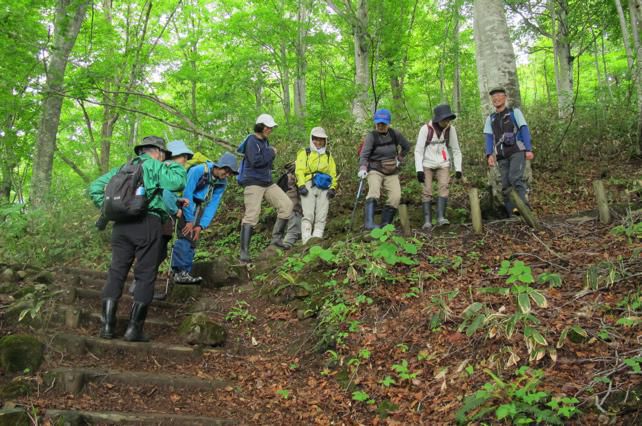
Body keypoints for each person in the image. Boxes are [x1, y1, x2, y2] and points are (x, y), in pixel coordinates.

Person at [88, 136, 186, 342]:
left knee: (116, 272)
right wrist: (175, 164)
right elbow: (178, 182)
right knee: (145, 274)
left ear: (141, 150)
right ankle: (134, 330)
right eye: (163, 155)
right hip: (147, 223)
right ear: (158, 152)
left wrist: (112, 209)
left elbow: (95, 188)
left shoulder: (122, 169)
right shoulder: (153, 165)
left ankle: (107, 326)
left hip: (121, 226)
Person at [171, 152, 239, 283]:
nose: (228, 175)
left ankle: (186, 273)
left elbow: (213, 205)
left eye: (231, 173)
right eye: (227, 171)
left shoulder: (222, 182)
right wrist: (190, 220)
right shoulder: (199, 170)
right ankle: (179, 272)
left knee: (193, 239)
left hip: (198, 207)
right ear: (220, 166)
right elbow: (187, 193)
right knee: (185, 235)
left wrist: (201, 225)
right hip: (184, 204)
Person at [238, 113, 293, 263]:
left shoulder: (265, 141)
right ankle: (244, 253)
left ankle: (276, 239)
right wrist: (271, 152)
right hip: (253, 182)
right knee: (252, 215)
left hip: (267, 182)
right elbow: (256, 161)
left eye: (271, 127)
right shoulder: (251, 140)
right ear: (260, 126)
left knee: (287, 205)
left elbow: (264, 162)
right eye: (268, 126)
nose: (270, 129)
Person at [483, 87, 534, 216]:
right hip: (501, 154)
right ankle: (512, 214)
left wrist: (528, 149)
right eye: (493, 97)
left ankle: (525, 210)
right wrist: (489, 154)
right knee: (505, 184)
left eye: (499, 95)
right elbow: (489, 137)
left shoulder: (514, 112)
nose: (496, 98)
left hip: (517, 150)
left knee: (515, 178)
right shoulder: (491, 118)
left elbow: (524, 129)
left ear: (505, 97)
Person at [358, 108, 410, 229]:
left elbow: (406, 146)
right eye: (378, 123)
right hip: (375, 169)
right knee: (374, 191)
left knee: (396, 196)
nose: (380, 126)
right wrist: (363, 167)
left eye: (383, 123)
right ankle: (369, 223)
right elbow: (364, 154)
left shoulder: (394, 134)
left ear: (388, 123)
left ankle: (385, 225)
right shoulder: (371, 136)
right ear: (375, 123)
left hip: (391, 170)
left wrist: (400, 158)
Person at [414, 104, 463, 229]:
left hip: (443, 162)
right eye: (444, 119)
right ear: (438, 119)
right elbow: (418, 150)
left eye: (448, 119)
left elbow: (456, 149)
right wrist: (419, 170)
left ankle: (441, 217)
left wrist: (458, 169)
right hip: (427, 163)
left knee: (444, 187)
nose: (447, 122)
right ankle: (427, 221)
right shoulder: (425, 129)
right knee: (427, 190)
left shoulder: (451, 130)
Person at [295, 127, 337, 244]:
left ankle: (317, 239)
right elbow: (299, 170)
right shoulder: (305, 152)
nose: (318, 142)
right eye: (316, 139)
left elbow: (333, 173)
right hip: (309, 183)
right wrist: (301, 185)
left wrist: (333, 188)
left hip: (325, 186)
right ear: (311, 139)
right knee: (308, 213)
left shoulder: (328, 155)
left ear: (325, 141)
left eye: (321, 139)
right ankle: (306, 240)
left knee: (322, 214)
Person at [271, 161, 302, 249]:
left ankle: (277, 244)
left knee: (287, 225)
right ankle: (287, 245)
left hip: (285, 207)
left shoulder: (285, 177)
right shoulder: (292, 177)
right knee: (293, 227)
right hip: (293, 207)